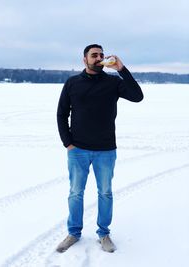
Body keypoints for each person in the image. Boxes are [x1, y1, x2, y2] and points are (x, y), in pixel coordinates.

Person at [56, 44, 143, 253]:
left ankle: (103, 234)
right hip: (78, 150)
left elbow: (137, 96)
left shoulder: (113, 82)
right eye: (94, 55)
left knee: (105, 193)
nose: (99, 58)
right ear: (84, 59)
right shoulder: (72, 83)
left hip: (106, 150)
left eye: (101, 55)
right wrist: (67, 142)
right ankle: (73, 233)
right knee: (76, 193)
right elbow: (61, 114)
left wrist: (122, 69)